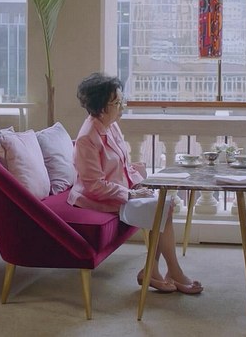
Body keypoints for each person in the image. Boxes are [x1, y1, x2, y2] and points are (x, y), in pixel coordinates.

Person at [68, 72, 203, 294]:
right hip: (95, 199)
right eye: (116, 103)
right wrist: (130, 194)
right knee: (161, 208)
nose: (122, 106)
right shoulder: (87, 139)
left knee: (164, 204)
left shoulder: (111, 126)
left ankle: (153, 271)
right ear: (101, 107)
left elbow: (123, 166)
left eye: (122, 100)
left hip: (118, 191)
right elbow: (94, 186)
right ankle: (171, 271)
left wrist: (140, 184)